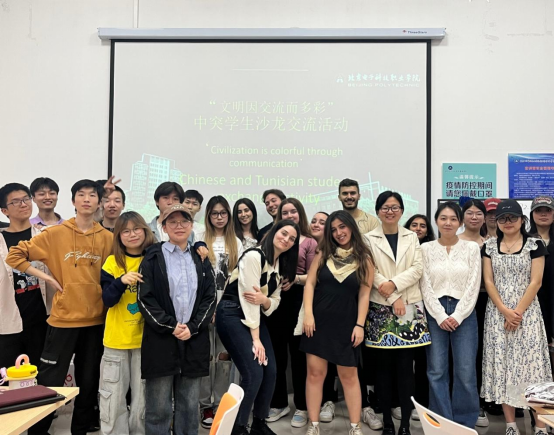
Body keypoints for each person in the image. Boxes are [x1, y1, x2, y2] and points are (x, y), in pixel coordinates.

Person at [6, 179, 114, 435]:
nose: (86, 199)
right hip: (62, 321)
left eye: (92, 195)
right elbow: (14, 256)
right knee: (49, 382)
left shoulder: (108, 238)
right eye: (81, 195)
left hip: (96, 321)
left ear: (99, 202)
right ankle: (38, 431)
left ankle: (80, 430)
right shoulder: (55, 234)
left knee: (89, 382)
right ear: (73, 200)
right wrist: (46, 277)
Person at [216, 219, 300, 435]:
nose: (287, 240)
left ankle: (259, 424)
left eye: (292, 238)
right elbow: (248, 300)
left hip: (254, 318)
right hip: (232, 312)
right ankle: (238, 427)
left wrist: (265, 300)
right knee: (253, 373)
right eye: (284, 233)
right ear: (274, 232)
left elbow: (274, 303)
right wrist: (256, 339)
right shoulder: (254, 256)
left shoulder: (280, 266)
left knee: (270, 371)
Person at [138, 204, 216, 435]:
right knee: (158, 407)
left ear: (192, 225)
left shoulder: (201, 257)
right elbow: (145, 298)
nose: (178, 226)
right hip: (161, 339)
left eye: (184, 221)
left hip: (193, 339)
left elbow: (210, 296)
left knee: (189, 405)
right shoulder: (152, 257)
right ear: (163, 227)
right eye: (172, 222)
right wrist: (171, 326)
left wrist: (192, 327)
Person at [481, 199, 551, 435]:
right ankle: (511, 425)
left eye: (512, 217)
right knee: (503, 367)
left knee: (533, 369)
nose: (507, 222)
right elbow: (488, 281)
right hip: (497, 315)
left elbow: (536, 282)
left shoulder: (535, 244)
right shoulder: (489, 246)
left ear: (522, 220)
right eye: (502, 218)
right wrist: (504, 311)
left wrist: (517, 313)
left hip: (527, 315)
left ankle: (541, 426)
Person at [301, 210, 374, 435]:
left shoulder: (365, 259)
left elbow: (364, 294)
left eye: (342, 227)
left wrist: (359, 325)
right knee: (315, 374)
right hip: (318, 323)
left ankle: (355, 427)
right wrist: (308, 314)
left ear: (351, 227)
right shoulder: (323, 254)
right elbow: (310, 284)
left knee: (349, 376)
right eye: (333, 229)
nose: (338, 233)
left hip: (347, 325)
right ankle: (313, 425)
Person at [364, 191, 428, 435]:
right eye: (385, 207)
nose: (390, 211)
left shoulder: (411, 236)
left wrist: (394, 286)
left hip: (410, 308)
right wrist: (393, 297)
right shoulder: (367, 238)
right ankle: (388, 423)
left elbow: (418, 268)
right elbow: (370, 271)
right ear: (378, 211)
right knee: (383, 369)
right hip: (381, 307)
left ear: (401, 210)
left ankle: (405, 425)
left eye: (395, 207)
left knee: (405, 369)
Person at [420, 202, 481, 428]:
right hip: (434, 311)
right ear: (436, 221)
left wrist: (458, 315)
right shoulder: (425, 249)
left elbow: (474, 283)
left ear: (460, 222)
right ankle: (442, 423)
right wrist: (439, 315)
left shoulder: (471, 248)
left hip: (464, 312)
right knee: (436, 370)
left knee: (465, 370)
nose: (448, 223)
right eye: (443, 218)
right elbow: (424, 284)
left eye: (453, 219)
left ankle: (464, 424)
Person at [99, 211, 156, 434]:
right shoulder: (112, 262)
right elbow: (107, 300)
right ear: (119, 236)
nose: (132, 234)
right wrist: (121, 281)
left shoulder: (154, 258)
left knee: (143, 397)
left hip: (147, 340)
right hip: (117, 340)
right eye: (126, 231)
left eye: (136, 229)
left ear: (145, 230)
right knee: (113, 395)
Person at [265, 198, 317, 428]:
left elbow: (314, 276)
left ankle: (302, 407)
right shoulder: (273, 237)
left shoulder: (310, 241)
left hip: (299, 300)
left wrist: (295, 279)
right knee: (276, 355)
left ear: (300, 213)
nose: (289, 215)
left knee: (298, 357)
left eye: (293, 211)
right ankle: (278, 403)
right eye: (284, 212)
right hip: (274, 302)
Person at [196, 195, 244, 429]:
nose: (219, 217)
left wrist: (223, 307)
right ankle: (205, 404)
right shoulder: (199, 238)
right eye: (214, 213)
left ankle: (220, 405)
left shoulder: (236, 242)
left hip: (228, 308)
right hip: (203, 309)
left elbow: (238, 279)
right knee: (205, 358)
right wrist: (209, 308)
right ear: (208, 216)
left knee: (224, 358)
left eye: (223, 213)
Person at [0, 183, 50, 370]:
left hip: (43, 319)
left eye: (26, 199)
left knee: (43, 376)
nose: (23, 204)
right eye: (16, 202)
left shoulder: (45, 235)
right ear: (4, 211)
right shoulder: (1, 240)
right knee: (9, 376)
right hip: (9, 321)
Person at [457, 199, 490, 427]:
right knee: (462, 356)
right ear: (462, 217)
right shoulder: (454, 241)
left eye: (479, 213)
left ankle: (479, 404)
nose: (474, 217)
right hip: (460, 303)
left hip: (487, 301)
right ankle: (458, 404)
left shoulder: (491, 243)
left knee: (481, 354)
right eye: (470, 213)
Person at [308, 211, 342, 423]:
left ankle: (336, 402)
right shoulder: (312, 248)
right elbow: (311, 282)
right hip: (315, 312)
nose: (316, 224)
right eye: (314, 221)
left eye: (323, 222)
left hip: (344, 313)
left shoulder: (349, 251)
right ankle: (319, 406)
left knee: (346, 366)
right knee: (317, 364)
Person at [404, 213, 435, 420]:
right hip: (407, 307)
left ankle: (422, 403)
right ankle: (404, 402)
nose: (418, 228)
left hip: (430, 308)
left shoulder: (432, 249)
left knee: (424, 360)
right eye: (414, 225)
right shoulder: (403, 248)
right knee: (405, 360)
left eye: (422, 226)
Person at [529, 196, 554, 345]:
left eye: (548, 210)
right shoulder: (525, 241)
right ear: (532, 214)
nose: (543, 214)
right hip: (534, 300)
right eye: (538, 210)